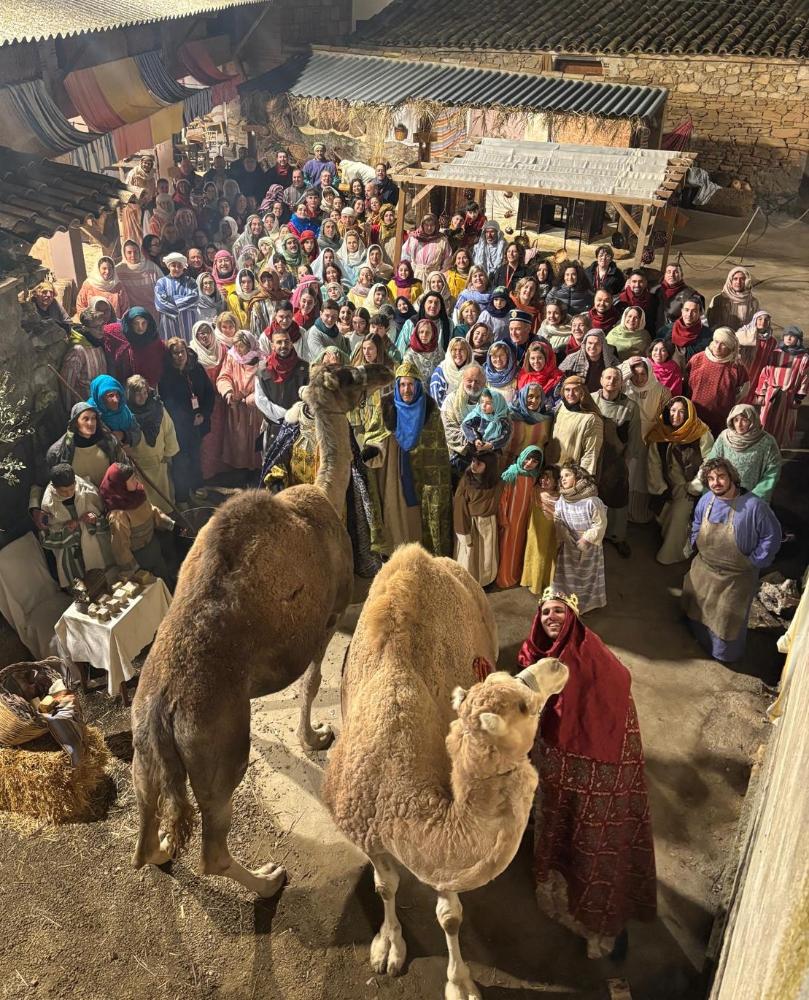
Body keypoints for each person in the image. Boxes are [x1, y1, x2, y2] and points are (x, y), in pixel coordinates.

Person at [518, 590, 657, 958]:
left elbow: (608, 702)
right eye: (546, 612)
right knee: (555, 825)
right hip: (555, 769)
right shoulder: (535, 657)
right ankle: (555, 894)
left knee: (588, 838)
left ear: (573, 618)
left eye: (559, 612)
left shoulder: (587, 654)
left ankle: (596, 921)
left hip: (594, 768)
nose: (551, 618)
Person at [683, 457, 781, 662]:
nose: (715, 482)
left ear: (732, 478)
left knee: (727, 621)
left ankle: (722, 654)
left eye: (720, 476)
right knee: (697, 609)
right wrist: (694, 542)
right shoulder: (706, 500)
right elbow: (697, 522)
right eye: (710, 479)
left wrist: (756, 561)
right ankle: (700, 640)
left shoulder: (754, 506)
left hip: (735, 579)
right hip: (704, 570)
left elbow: (772, 536)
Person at [362, 360, 452, 556]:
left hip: (424, 474)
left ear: (418, 385)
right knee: (397, 513)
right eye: (402, 384)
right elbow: (373, 434)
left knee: (421, 516)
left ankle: (422, 554)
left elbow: (437, 447)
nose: (406, 389)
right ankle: (397, 552)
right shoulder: (386, 406)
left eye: (411, 384)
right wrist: (373, 448)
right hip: (395, 472)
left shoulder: (430, 408)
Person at [646, 397, 714, 564]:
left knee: (679, 513)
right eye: (673, 411)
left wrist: (696, 485)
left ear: (689, 414)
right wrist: (660, 488)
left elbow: (710, 461)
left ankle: (671, 555)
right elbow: (653, 464)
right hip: (669, 484)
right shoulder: (660, 433)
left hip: (690, 486)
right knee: (664, 512)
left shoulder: (701, 432)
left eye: (681, 412)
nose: (676, 415)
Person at [592, 367, 641, 558]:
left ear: (621, 383)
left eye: (616, 378)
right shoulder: (591, 400)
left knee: (618, 498)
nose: (611, 381)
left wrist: (625, 461)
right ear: (601, 380)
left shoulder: (630, 407)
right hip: (594, 456)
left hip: (617, 459)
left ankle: (617, 536)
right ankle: (594, 534)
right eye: (608, 377)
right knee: (594, 497)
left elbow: (634, 436)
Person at [101, 462, 177, 585]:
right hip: (139, 558)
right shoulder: (119, 515)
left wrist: (171, 525)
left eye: (134, 477)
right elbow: (120, 547)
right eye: (131, 480)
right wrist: (134, 569)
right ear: (120, 485)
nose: (135, 481)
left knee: (165, 581)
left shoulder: (137, 495)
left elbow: (152, 511)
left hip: (154, 548)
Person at [159, 338, 215, 504]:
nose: (179, 356)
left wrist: (203, 414)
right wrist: (189, 419)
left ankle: (197, 486)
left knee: (196, 456)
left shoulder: (196, 368)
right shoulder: (166, 375)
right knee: (180, 461)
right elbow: (168, 402)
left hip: (197, 424)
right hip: (178, 427)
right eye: (175, 353)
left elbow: (209, 393)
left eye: (182, 352)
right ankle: (182, 496)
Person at [38, 464, 112, 587]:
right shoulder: (48, 505)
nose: (68, 494)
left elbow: (108, 519)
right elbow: (46, 539)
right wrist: (67, 530)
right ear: (54, 487)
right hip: (71, 558)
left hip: (95, 549)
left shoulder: (88, 491)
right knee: (81, 590)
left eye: (71, 489)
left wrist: (95, 521)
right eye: (63, 491)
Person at [620, 356, 670, 523]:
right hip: (627, 441)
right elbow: (610, 378)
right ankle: (623, 515)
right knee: (626, 478)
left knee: (642, 479)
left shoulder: (662, 391)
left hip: (649, 442)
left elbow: (665, 420)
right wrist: (627, 365)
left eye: (643, 374)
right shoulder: (623, 388)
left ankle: (639, 515)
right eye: (635, 374)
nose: (639, 378)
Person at [553, 464, 607, 614]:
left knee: (585, 577)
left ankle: (584, 605)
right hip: (569, 545)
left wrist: (586, 539)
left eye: (567, 475)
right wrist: (564, 534)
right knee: (568, 575)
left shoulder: (592, 501)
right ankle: (568, 602)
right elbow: (557, 519)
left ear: (578, 478)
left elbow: (600, 524)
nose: (563, 479)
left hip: (588, 547)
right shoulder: (563, 499)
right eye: (561, 476)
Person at [126, 375, 180, 513]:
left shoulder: (158, 408)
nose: (142, 397)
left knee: (163, 496)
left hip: (158, 462)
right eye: (138, 394)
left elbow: (169, 430)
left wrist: (168, 453)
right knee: (145, 500)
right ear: (131, 395)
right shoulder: (126, 414)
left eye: (144, 392)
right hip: (138, 464)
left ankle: (167, 518)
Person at [708, 404, 781, 502]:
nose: (739, 424)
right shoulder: (724, 437)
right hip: (724, 495)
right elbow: (711, 463)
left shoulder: (767, 441)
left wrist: (754, 497)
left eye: (744, 420)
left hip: (752, 497)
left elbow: (772, 472)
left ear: (752, 421)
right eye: (736, 420)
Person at [254, 324, 309, 452]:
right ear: (272, 345)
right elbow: (260, 399)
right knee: (273, 469)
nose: (283, 345)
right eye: (279, 342)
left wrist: (295, 416)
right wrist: (285, 415)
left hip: (299, 428)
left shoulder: (305, 368)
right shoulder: (263, 369)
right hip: (273, 427)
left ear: (291, 343)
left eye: (286, 341)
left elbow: (310, 398)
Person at [496, 445, 544, 588]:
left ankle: (516, 573)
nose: (529, 464)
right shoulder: (512, 473)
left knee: (520, 547)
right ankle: (504, 577)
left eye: (534, 461)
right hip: (510, 518)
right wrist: (503, 518)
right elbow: (502, 499)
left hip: (525, 520)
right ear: (522, 456)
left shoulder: (534, 477)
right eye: (527, 459)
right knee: (506, 546)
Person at [216, 331, 263, 473]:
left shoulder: (261, 360)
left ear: (250, 346)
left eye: (242, 347)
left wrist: (253, 397)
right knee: (239, 442)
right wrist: (228, 391)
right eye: (236, 346)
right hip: (237, 408)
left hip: (254, 409)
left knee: (256, 440)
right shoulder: (231, 357)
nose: (238, 350)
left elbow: (266, 384)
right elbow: (224, 376)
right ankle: (240, 471)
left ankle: (256, 470)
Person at [687, 327, 749, 436]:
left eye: (723, 344)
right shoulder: (697, 359)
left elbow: (743, 391)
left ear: (730, 348)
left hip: (719, 422)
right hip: (693, 415)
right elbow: (685, 384)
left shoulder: (737, 367)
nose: (718, 347)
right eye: (716, 342)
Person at [755, 325, 809, 448]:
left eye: (792, 336)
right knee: (765, 418)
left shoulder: (803, 358)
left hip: (789, 395)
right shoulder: (775, 353)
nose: (788, 338)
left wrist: (799, 396)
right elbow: (765, 373)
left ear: (798, 339)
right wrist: (761, 393)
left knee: (783, 421)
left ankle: (777, 447)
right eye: (786, 335)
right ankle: (761, 446)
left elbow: (805, 378)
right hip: (771, 393)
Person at [452, 453, 500, 586]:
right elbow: (460, 507)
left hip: (489, 524)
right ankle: (468, 583)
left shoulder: (496, 482)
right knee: (469, 555)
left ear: (489, 467)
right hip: (471, 524)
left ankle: (485, 582)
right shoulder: (466, 480)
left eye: (478, 463)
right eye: (473, 461)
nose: (473, 465)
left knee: (486, 556)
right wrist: (464, 532)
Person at [548, 375, 604, 476]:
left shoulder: (591, 419)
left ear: (582, 392)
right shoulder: (561, 408)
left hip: (571, 474)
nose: (571, 394)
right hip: (551, 471)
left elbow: (591, 453)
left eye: (575, 390)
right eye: (567, 390)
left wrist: (583, 478)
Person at [441, 363, 487, 475]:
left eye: (477, 381)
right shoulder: (451, 400)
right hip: (459, 456)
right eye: (469, 380)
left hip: (485, 456)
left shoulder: (492, 400)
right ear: (463, 380)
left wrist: (485, 446)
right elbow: (449, 430)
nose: (473, 384)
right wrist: (472, 444)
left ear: (484, 382)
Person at [521, 465, 560, 596]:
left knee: (548, 557)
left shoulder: (560, 498)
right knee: (534, 554)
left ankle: (545, 582)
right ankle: (532, 581)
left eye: (548, 478)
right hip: (535, 533)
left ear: (556, 481)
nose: (543, 480)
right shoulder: (536, 491)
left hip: (551, 534)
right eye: (542, 477)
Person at [112, 307, 166, 388]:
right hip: (132, 390)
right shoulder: (124, 345)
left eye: (143, 323)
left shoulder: (156, 343)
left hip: (155, 390)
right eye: (135, 323)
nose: (140, 327)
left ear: (149, 323)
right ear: (130, 324)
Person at [154, 253, 200, 343]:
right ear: (168, 267)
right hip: (169, 323)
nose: (177, 269)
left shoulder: (190, 282)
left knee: (190, 347)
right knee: (172, 348)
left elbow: (194, 299)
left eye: (180, 266)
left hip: (189, 322)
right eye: (173, 266)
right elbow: (160, 304)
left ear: (183, 267)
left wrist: (171, 299)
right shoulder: (161, 282)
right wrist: (182, 300)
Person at [662, 295, 712, 371]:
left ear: (700, 313)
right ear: (681, 311)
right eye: (686, 310)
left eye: (694, 311)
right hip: (671, 376)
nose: (689, 314)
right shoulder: (666, 330)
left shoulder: (708, 335)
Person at [115, 240, 163, 318]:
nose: (133, 255)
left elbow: (163, 286)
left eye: (135, 252)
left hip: (152, 311)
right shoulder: (118, 270)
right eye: (129, 252)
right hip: (131, 312)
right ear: (124, 254)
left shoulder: (152, 267)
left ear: (140, 252)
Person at [559, 329, 618, 393]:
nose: (592, 347)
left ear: (603, 345)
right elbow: (561, 382)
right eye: (590, 343)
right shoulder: (571, 359)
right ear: (585, 344)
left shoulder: (611, 361)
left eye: (597, 343)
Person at [461, 387, 512, 456]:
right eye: (482, 402)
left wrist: (491, 445)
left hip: (492, 451)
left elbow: (504, 437)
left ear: (497, 405)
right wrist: (475, 439)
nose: (483, 405)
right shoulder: (478, 413)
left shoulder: (503, 421)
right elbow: (466, 425)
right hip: (475, 447)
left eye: (488, 403)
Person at [400, 213, 452, 280]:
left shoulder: (442, 240)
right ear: (422, 225)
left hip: (434, 277)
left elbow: (447, 259)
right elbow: (405, 256)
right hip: (415, 274)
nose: (429, 228)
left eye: (432, 225)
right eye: (426, 225)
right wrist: (407, 272)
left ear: (436, 225)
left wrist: (441, 274)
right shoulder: (414, 238)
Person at [707, 266, 759, 332]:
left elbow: (756, 324)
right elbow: (712, 323)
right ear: (730, 281)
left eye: (742, 279)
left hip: (744, 338)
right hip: (723, 337)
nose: (738, 282)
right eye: (735, 279)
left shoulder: (753, 302)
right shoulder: (718, 299)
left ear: (747, 282)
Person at [429, 335, 472, 407]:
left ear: (468, 352)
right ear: (449, 352)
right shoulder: (441, 371)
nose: (458, 352)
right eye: (454, 349)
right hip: (445, 413)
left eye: (462, 349)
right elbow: (436, 400)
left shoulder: (474, 369)